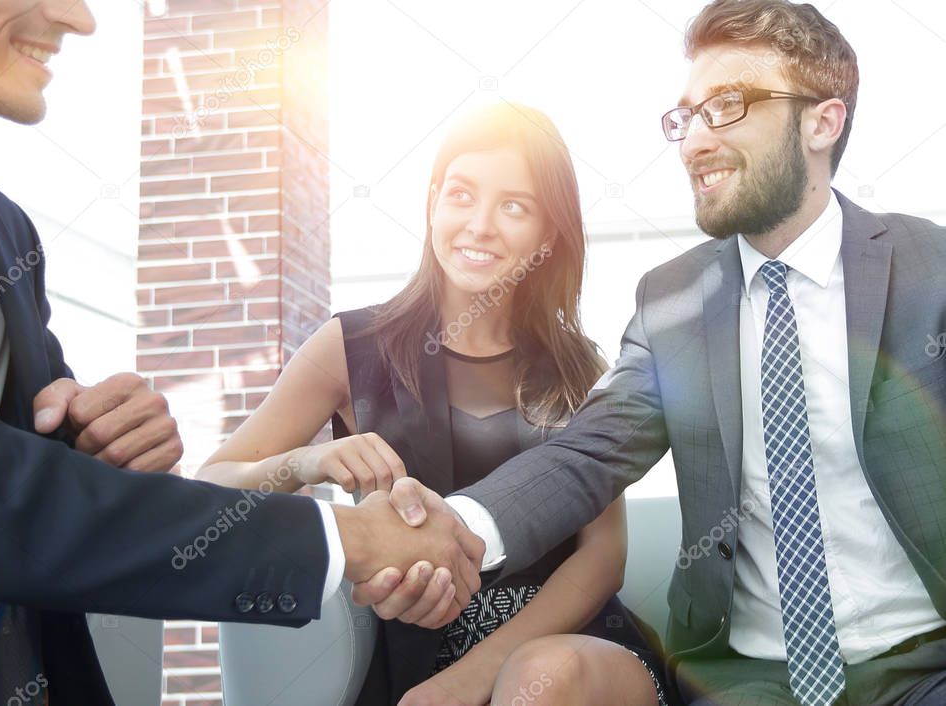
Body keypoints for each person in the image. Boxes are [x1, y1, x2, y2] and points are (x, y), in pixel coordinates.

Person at [356, 2, 946, 705]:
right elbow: (586, 455)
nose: (694, 141)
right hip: (749, 681)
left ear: (821, 122)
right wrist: (456, 527)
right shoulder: (673, 303)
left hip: (924, 664)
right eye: (685, 116)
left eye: (725, 107)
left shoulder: (930, 270)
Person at [0, 2, 482, 704]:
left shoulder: (5, 233)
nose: (79, 18)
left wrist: (89, 446)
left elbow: (19, 486)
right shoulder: (352, 342)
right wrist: (347, 537)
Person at [198, 103, 669, 705]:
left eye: (514, 206)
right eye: (462, 195)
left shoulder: (583, 369)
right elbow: (213, 488)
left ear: (548, 234)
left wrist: (470, 681)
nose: (480, 225)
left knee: (539, 679)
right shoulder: (350, 349)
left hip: (576, 649)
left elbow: (604, 557)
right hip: (416, 653)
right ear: (431, 205)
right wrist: (310, 463)